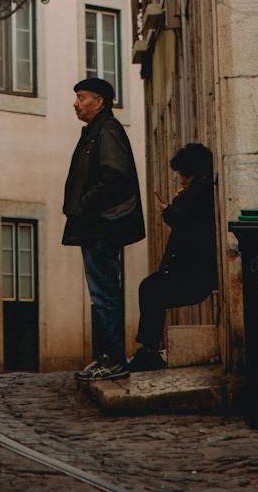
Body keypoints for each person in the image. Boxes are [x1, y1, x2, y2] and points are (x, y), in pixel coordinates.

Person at [62, 76, 145, 382]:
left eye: (81, 97)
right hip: (95, 225)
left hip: (101, 226)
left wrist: (85, 203)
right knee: (102, 292)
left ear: (99, 101)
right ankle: (106, 357)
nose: (76, 103)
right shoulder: (97, 131)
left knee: (105, 292)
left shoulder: (107, 131)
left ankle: (113, 360)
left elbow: (115, 176)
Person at [126, 141, 217, 373]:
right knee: (151, 289)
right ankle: (148, 349)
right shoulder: (197, 192)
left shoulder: (202, 192)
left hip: (195, 274)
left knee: (151, 290)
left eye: (184, 175)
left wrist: (168, 207)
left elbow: (185, 221)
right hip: (190, 271)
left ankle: (148, 351)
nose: (181, 180)